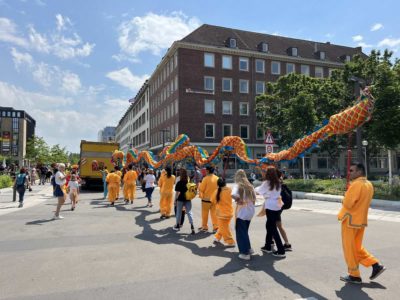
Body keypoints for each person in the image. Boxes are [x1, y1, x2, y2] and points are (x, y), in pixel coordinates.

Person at [338, 162, 386, 284]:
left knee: (349, 248)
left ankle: (354, 275)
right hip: (361, 221)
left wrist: (345, 196)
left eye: (352, 171)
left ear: (359, 172)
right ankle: (375, 265)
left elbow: (348, 203)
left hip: (350, 220)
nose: (349, 173)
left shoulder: (356, 185)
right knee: (356, 247)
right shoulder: (369, 184)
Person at [255, 167, 285, 258]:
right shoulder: (279, 182)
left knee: (272, 228)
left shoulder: (267, 183)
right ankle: (267, 246)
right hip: (277, 206)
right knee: (269, 225)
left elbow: (258, 191)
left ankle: (281, 250)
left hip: (270, 206)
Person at [232, 169, 256, 260]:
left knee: (241, 233)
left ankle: (244, 253)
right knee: (245, 231)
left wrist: (239, 200)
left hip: (242, 212)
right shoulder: (250, 186)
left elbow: (233, 194)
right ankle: (249, 249)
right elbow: (254, 199)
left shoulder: (238, 185)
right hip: (250, 211)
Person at [211, 178, 235, 247]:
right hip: (229, 212)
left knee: (224, 228)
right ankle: (217, 237)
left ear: (218, 184)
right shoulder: (230, 189)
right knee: (223, 226)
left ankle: (230, 241)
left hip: (221, 214)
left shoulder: (216, 191)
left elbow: (212, 201)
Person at [173, 168, 195, 234]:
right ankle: (192, 226)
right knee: (189, 212)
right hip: (188, 199)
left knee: (178, 212)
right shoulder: (189, 182)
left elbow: (177, 193)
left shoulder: (179, 183)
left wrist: (175, 200)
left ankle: (177, 225)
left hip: (180, 199)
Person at [198, 166, 219, 232]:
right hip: (214, 199)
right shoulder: (217, 178)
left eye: (206, 170)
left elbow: (201, 189)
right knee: (214, 214)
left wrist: (199, 185)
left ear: (208, 171)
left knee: (205, 214)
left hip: (206, 199)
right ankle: (215, 227)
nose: (205, 171)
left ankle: (205, 227)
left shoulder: (205, 178)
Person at [275, 169, 292, 251]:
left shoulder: (276, 184)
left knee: (277, 226)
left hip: (276, 208)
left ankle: (287, 244)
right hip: (280, 207)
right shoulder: (281, 182)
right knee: (274, 225)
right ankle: (270, 241)